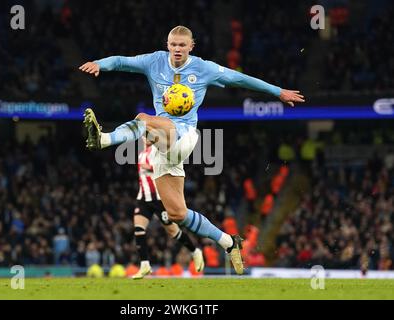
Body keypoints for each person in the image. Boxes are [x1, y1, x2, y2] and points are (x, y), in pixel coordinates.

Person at [79, 25, 305, 274]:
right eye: (173, 44)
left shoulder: (203, 68)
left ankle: (104, 139)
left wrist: (278, 92)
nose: (177, 49)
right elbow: (122, 61)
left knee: (144, 118)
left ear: (191, 46)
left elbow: (240, 79)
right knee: (177, 213)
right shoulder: (154, 61)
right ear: (167, 44)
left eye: (182, 45)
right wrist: (100, 64)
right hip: (163, 146)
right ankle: (229, 242)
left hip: (184, 135)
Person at [132, 136, 204, 279]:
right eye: (142, 136)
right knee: (139, 230)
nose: (143, 138)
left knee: (173, 232)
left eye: (146, 136)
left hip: (160, 199)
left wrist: (151, 167)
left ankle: (195, 251)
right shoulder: (141, 155)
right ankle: (145, 265)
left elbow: (168, 167)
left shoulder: (159, 152)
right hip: (144, 198)